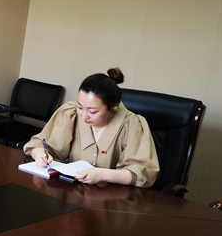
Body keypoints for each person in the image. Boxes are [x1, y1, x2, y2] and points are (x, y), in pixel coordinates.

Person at [24, 68, 159, 187]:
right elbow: (40, 144)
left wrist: (103, 175)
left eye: (93, 111)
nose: (84, 115)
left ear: (114, 106)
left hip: (111, 199)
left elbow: (142, 173)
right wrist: (40, 154)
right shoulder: (71, 113)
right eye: (80, 107)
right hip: (72, 191)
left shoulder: (132, 124)